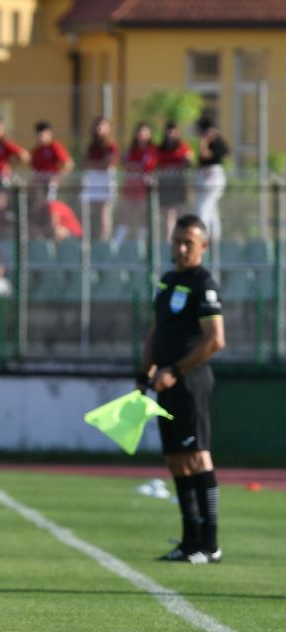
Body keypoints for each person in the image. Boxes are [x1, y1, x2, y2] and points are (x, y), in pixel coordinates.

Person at [139, 214, 225, 563]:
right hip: (165, 382)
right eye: (177, 241)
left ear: (203, 245)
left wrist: (175, 370)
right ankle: (190, 542)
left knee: (197, 457)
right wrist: (144, 373)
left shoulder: (204, 283)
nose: (181, 247)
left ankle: (211, 543)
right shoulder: (167, 281)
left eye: (189, 241)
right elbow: (156, 330)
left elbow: (215, 341)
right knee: (176, 461)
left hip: (190, 383)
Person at [113, 122, 157, 248]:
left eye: (144, 132)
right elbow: (124, 163)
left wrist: (133, 167)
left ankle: (140, 244)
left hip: (144, 187)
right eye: (139, 132)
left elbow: (146, 167)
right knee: (126, 215)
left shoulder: (151, 150)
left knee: (143, 217)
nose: (141, 135)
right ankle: (116, 245)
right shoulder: (131, 150)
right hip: (130, 186)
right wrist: (133, 167)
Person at [81, 116, 119, 242]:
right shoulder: (91, 146)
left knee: (104, 213)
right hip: (91, 182)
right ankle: (89, 239)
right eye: (97, 126)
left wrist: (93, 164)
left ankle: (104, 241)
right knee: (90, 213)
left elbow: (105, 165)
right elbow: (84, 162)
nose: (99, 129)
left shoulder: (111, 146)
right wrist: (95, 164)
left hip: (105, 182)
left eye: (102, 126)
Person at [194, 115, 229, 248]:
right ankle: (214, 241)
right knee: (211, 210)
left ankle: (203, 240)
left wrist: (204, 141)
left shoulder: (216, 142)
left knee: (203, 209)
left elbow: (205, 154)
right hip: (207, 175)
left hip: (213, 176)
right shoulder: (213, 140)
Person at [156, 121, 193, 241]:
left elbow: (188, 162)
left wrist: (185, 161)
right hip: (165, 184)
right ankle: (168, 239)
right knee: (168, 213)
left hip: (178, 184)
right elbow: (156, 164)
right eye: (169, 131)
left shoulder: (183, 147)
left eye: (174, 131)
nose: (171, 134)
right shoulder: (160, 149)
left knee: (180, 212)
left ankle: (182, 237)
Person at [29, 121, 73, 202]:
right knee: (40, 205)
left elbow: (68, 164)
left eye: (42, 135)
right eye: (38, 135)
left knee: (51, 205)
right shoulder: (36, 150)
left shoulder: (55, 146)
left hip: (51, 184)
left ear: (49, 133)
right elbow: (35, 168)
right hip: (40, 184)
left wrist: (58, 177)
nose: (40, 138)